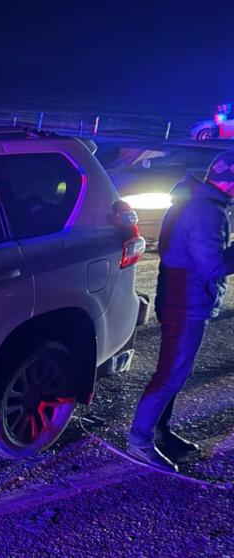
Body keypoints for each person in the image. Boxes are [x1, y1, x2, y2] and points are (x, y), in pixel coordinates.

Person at [127, 151, 234, 472]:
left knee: (174, 372)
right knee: (171, 375)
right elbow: (213, 265)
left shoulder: (194, 201)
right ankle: (139, 441)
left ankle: (160, 431)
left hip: (177, 298)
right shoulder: (207, 212)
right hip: (186, 304)